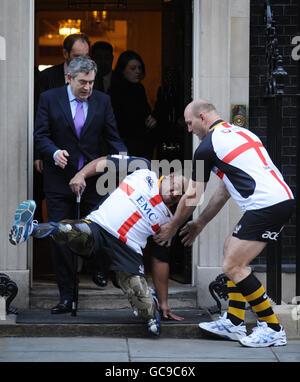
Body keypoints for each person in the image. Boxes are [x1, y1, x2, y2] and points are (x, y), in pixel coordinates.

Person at [154, 98, 295, 347]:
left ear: (203, 118)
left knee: (233, 265)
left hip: (266, 206)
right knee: (230, 249)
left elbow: (192, 195)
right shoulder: (241, 133)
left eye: (190, 123)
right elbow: (224, 191)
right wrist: (200, 224)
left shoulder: (207, 147)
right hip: (274, 202)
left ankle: (273, 328)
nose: (188, 130)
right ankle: (234, 322)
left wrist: (173, 226)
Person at [9, 155, 187, 336]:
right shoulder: (144, 169)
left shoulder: (169, 221)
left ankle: (152, 306)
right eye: (175, 188)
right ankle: (30, 229)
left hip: (127, 251)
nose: (174, 194)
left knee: (149, 315)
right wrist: (81, 174)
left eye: (179, 196)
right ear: (170, 176)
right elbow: (106, 161)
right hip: (98, 228)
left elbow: (160, 259)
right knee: (71, 231)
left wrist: (164, 302)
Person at [34, 55, 127, 314]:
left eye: (91, 82)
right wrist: (53, 152)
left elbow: (112, 137)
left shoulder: (103, 101)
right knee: (61, 238)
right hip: (59, 181)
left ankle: (98, 267)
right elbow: (40, 135)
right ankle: (67, 296)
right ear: (69, 79)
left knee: (96, 232)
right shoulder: (50, 99)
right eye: (82, 82)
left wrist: (126, 160)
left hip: (93, 182)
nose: (87, 88)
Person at [109, 50, 157, 160]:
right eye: (133, 68)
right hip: (123, 145)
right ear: (123, 70)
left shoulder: (139, 88)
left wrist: (151, 119)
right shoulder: (116, 91)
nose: (137, 71)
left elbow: (145, 113)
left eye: (140, 68)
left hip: (141, 144)